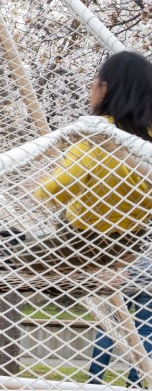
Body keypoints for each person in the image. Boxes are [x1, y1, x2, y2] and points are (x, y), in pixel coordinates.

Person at [18, 51, 152, 273]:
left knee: (16, 258)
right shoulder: (146, 137)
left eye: (93, 86)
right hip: (129, 240)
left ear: (105, 90)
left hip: (85, 240)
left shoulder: (98, 135)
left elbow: (64, 181)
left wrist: (38, 189)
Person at [88, 253, 152, 387]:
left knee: (109, 327)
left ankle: (94, 380)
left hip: (124, 270)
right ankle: (135, 382)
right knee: (145, 331)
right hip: (149, 274)